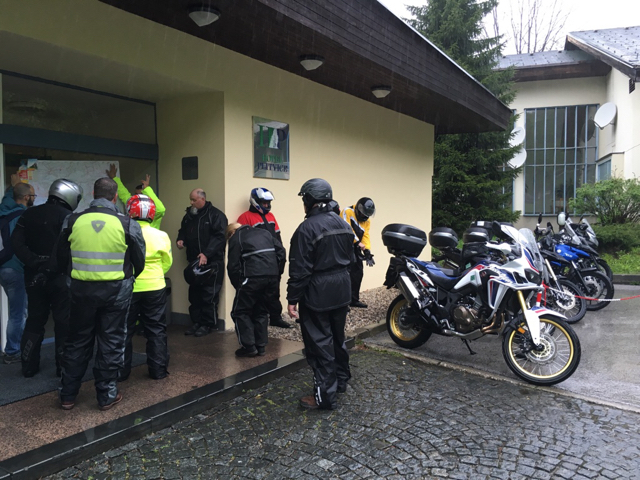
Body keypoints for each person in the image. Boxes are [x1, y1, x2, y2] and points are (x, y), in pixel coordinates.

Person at [56, 177, 145, 411]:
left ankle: (67, 395)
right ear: (115, 197)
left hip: (80, 291)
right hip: (116, 293)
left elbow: (60, 256)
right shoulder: (127, 223)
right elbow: (139, 260)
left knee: (76, 340)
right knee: (111, 341)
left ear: (93, 194)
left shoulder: (72, 220)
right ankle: (106, 395)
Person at [287, 178, 355, 410]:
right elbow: (351, 260)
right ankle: (341, 381)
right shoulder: (344, 224)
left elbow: (300, 269)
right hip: (342, 289)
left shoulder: (306, 229)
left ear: (309, 200)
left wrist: (292, 298)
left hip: (318, 293)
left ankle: (324, 397)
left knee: (319, 344)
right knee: (337, 337)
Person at [11, 179, 83, 377]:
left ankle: (28, 366)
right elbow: (72, 249)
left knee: (34, 319)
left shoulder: (28, 214)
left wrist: (35, 262)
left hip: (33, 275)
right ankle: (62, 367)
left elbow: (16, 243)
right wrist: (54, 266)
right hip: (60, 277)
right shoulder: (70, 217)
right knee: (63, 322)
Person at [120, 194, 172, 381]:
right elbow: (167, 262)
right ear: (151, 213)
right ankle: (158, 371)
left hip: (129, 287)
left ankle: (121, 373)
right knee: (156, 329)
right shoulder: (161, 235)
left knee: (124, 331)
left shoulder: (124, 232)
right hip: (155, 286)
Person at [226, 222, 286, 357]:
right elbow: (281, 252)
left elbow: (233, 266)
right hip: (271, 277)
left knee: (239, 312)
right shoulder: (264, 233)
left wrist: (239, 285)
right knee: (261, 310)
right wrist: (277, 272)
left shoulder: (236, 237)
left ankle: (248, 347)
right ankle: (261, 346)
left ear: (231, 233)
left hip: (252, 278)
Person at [237, 187, 291, 329]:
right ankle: (258, 319)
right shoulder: (245, 217)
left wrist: (280, 258)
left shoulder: (271, 216)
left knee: (274, 291)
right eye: (264, 202)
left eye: (268, 203)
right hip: (257, 263)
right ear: (255, 201)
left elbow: (277, 237)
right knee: (258, 294)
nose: (266, 205)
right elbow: (242, 241)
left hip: (273, 259)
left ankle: (275, 317)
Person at [177, 188, 227, 337]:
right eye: (191, 200)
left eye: (194, 200)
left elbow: (220, 237)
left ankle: (207, 324)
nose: (191, 202)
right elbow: (183, 230)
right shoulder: (189, 216)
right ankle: (196, 322)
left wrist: (206, 253)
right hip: (194, 262)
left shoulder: (216, 215)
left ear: (203, 199)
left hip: (212, 262)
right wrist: (181, 239)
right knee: (194, 295)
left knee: (209, 295)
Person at [0, 177, 34, 365]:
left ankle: (14, 348)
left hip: (4, 267)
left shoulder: (5, 211)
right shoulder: (23, 216)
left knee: (17, 311)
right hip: (16, 269)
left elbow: (8, 199)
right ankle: (13, 351)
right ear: (27, 197)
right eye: (33, 195)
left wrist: (11, 188)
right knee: (18, 313)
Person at [106, 163, 166, 229]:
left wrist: (147, 189)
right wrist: (114, 178)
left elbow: (161, 210)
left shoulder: (153, 211)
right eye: (136, 194)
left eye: (141, 194)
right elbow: (124, 194)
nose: (138, 197)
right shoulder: (134, 204)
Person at [341, 198, 376, 308]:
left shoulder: (367, 221)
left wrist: (367, 251)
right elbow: (346, 229)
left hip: (355, 247)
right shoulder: (347, 211)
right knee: (345, 273)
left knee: (358, 273)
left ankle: (353, 300)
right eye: (364, 213)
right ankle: (343, 302)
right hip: (344, 246)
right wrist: (357, 242)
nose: (365, 216)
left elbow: (365, 235)